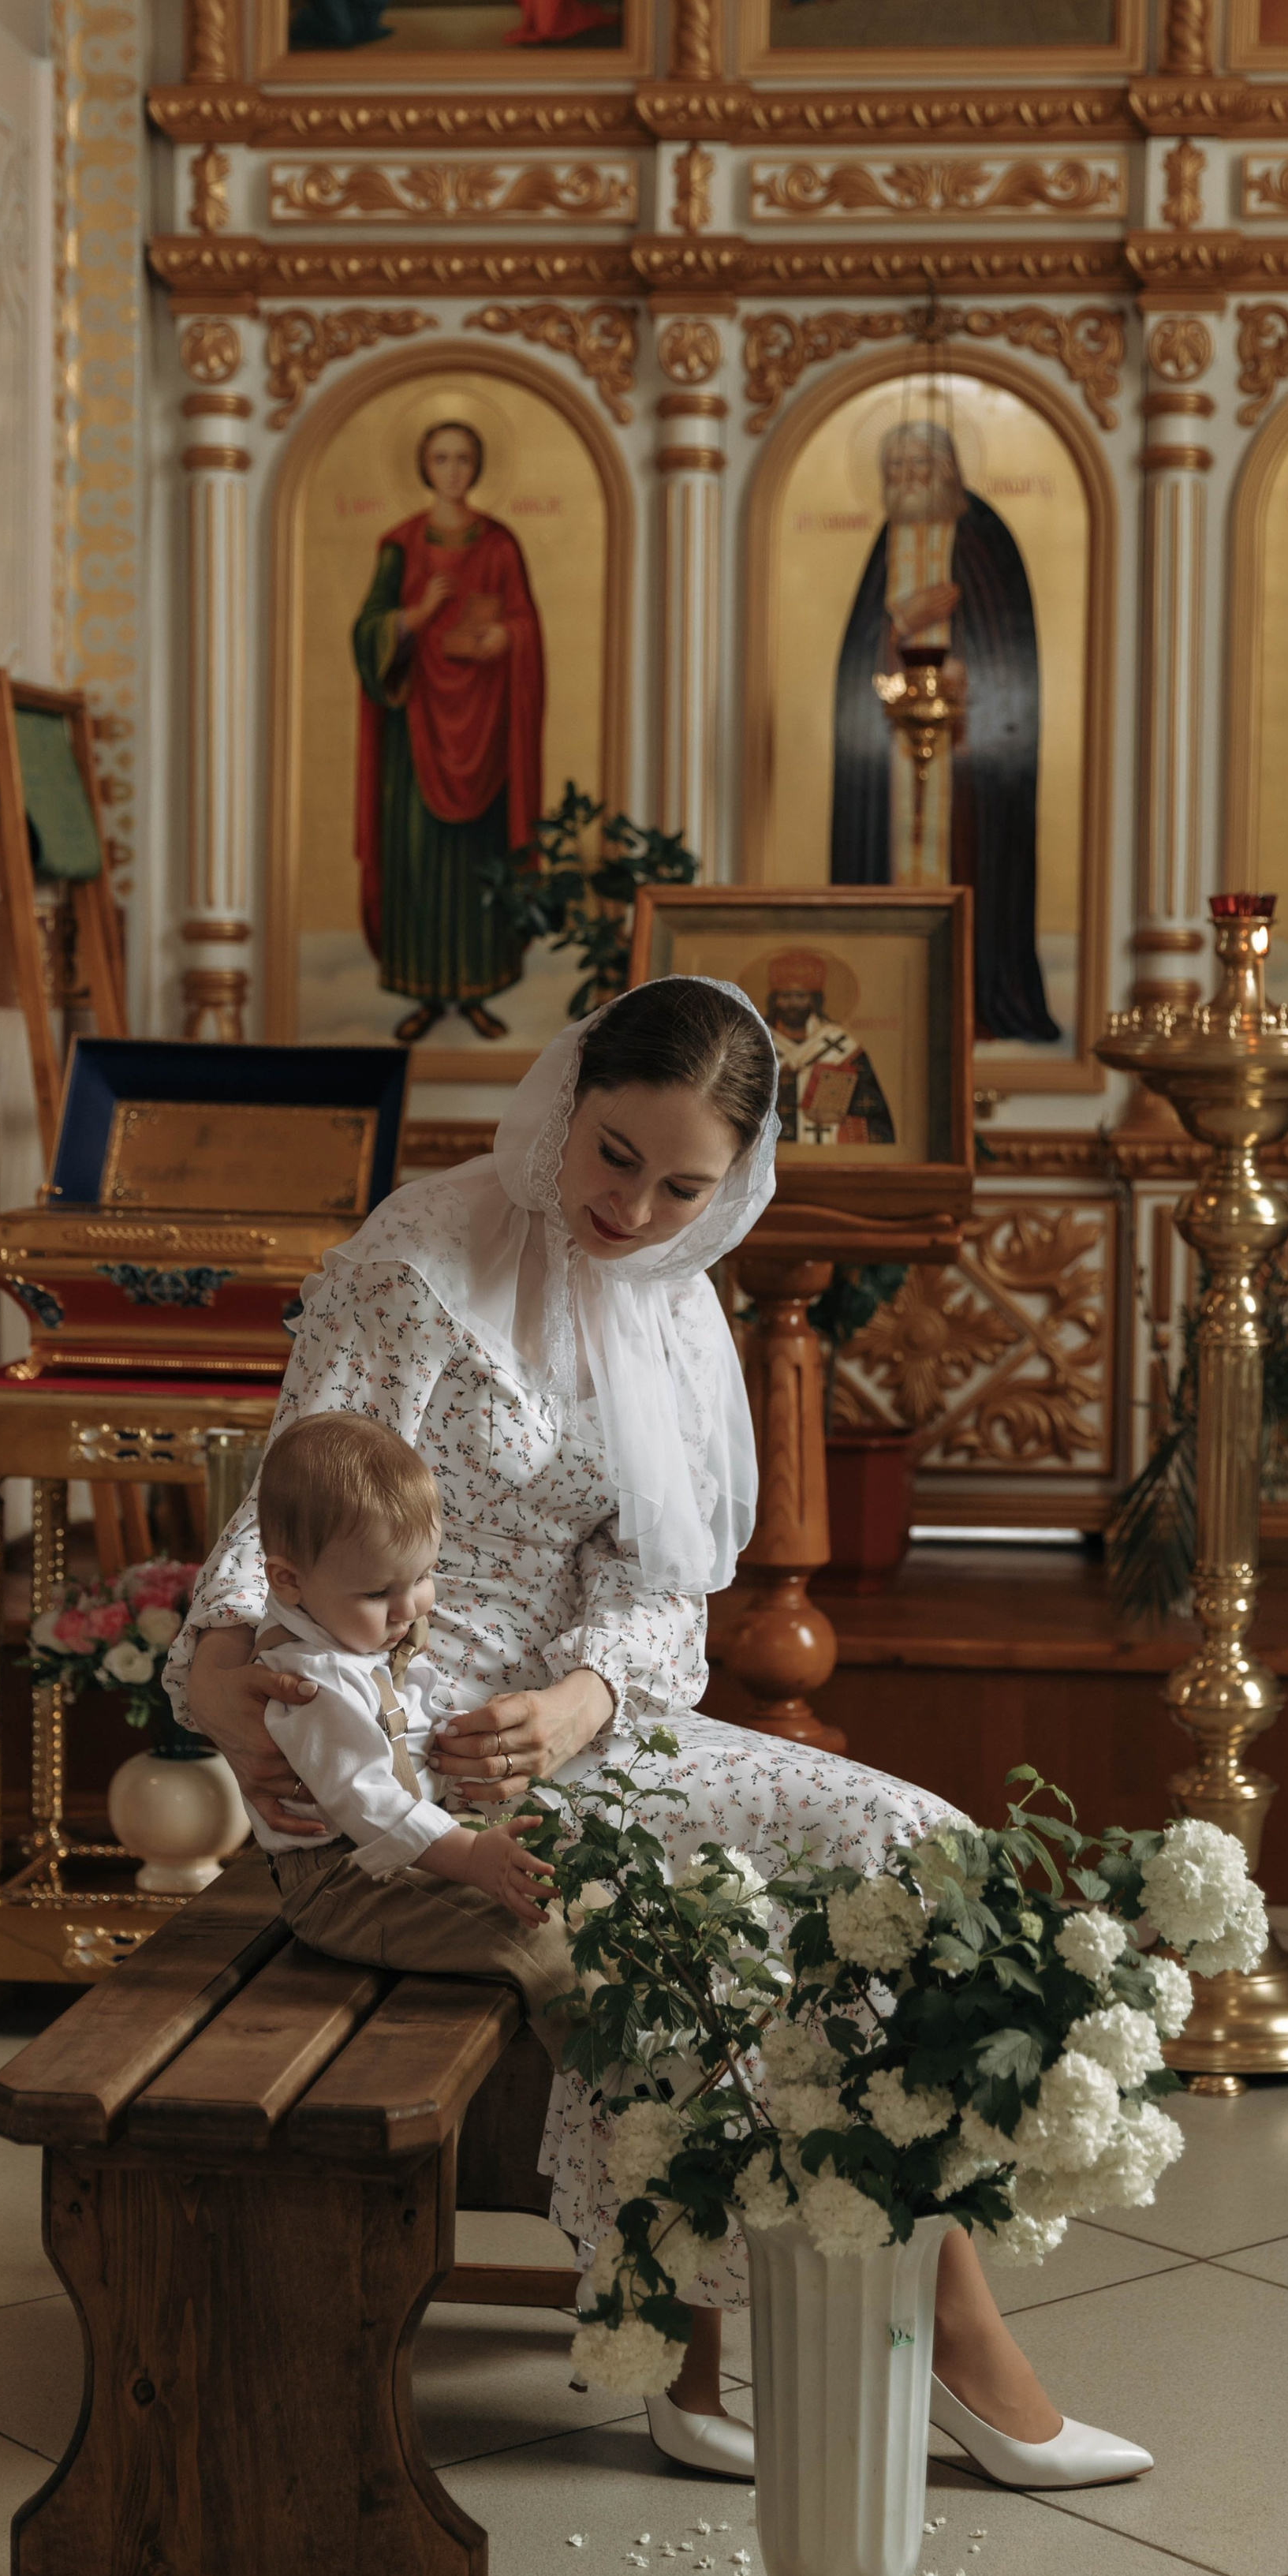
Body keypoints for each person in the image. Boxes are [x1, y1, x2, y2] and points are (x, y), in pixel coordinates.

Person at [170, 974, 1152, 2491]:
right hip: (407, 1765)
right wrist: (232, 1681)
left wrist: (576, 1708)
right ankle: (756, 2335)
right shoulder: (421, 1263)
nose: (636, 1206)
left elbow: (658, 1596)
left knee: (920, 1851)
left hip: (593, 1734)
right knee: (696, 1936)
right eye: (615, 1154)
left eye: (685, 1183)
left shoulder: (681, 1313)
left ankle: (903, 2305)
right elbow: (290, 1502)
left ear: (732, 1185)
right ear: (568, 1105)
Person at [246, 1411, 579, 2068]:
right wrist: (470, 1856)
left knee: (573, 1880)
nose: (410, 1608)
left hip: (402, 1854)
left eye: (422, 1576)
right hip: (345, 1884)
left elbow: (410, 1721)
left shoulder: (353, 1628)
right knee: (535, 1940)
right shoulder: (310, 1682)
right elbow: (366, 1801)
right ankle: (608, 2094)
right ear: (289, 1581)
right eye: (379, 1592)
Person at [830, 417, 1056, 1044]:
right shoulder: (887, 543)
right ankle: (881, 1002)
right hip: (889, 754)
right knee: (887, 862)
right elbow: (859, 663)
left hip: (970, 755)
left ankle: (975, 999)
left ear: (949, 471)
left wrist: (970, 672)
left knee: (970, 861)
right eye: (893, 471)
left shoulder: (983, 537)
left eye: (918, 468)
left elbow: (1010, 649)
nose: (904, 482)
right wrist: (897, 624)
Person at [352, 420, 543, 1045]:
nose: (453, 469)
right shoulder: (399, 545)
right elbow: (369, 630)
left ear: (478, 466)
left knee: (476, 862)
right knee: (417, 858)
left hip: (486, 735)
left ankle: (481, 990)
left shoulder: (500, 544)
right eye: (442, 457)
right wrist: (418, 614)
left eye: (464, 458)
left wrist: (506, 638)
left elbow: (526, 624)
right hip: (415, 735)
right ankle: (425, 995)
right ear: (424, 465)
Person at [763, 950, 897, 1146]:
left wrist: (839, 1117)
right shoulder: (757, 1044)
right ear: (774, 1000)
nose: (792, 1004)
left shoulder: (843, 1047)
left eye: (801, 996)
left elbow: (876, 1120)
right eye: (786, 996)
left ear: (814, 1001)